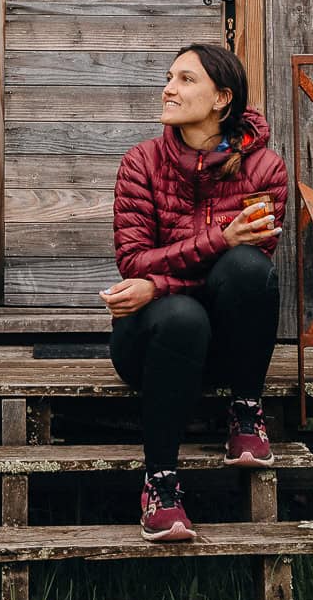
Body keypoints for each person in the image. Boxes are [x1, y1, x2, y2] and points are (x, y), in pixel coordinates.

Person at [100, 42, 289, 541]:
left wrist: (159, 283)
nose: (168, 88)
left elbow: (244, 276)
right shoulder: (140, 163)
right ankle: (159, 483)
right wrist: (217, 242)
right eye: (169, 77)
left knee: (247, 268)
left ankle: (246, 410)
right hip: (149, 340)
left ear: (222, 98)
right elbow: (133, 261)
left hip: (225, 348)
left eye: (186, 80)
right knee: (184, 315)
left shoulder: (265, 170)